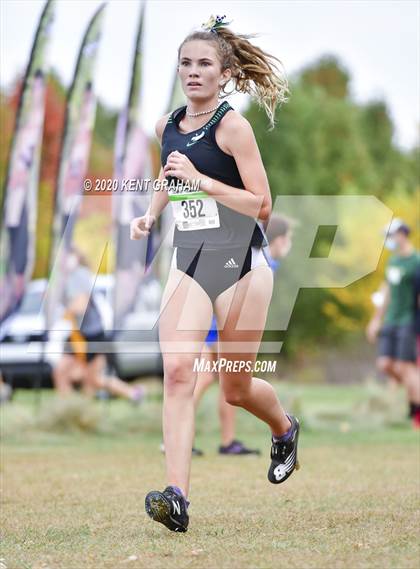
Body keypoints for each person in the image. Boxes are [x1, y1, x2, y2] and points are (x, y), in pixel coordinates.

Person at [130, 15, 300, 533]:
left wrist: (202, 181)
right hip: (191, 261)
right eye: (186, 63)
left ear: (225, 74)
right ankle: (176, 496)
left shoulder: (233, 127)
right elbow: (170, 175)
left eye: (205, 63)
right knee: (179, 373)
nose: (193, 72)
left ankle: (285, 427)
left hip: (242, 267)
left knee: (235, 387)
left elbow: (262, 206)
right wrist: (153, 213)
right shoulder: (166, 126)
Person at [189, 215, 294, 457]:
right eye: (288, 239)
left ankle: (227, 441)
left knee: (229, 383)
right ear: (277, 240)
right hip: (219, 325)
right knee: (210, 379)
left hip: (218, 322)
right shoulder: (263, 260)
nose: (289, 244)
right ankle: (181, 438)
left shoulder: (261, 257)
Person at [52, 246, 145, 404]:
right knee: (62, 372)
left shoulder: (79, 275)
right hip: (78, 335)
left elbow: (81, 304)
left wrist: (64, 310)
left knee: (93, 379)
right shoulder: (68, 277)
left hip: (92, 335)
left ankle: (133, 393)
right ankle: (69, 408)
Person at [366, 218, 420, 428]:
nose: (388, 241)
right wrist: (376, 319)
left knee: (404, 368)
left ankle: (415, 411)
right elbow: (386, 290)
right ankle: (414, 395)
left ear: (401, 234)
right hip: (391, 319)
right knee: (385, 364)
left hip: (407, 320)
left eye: (390, 236)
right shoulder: (393, 261)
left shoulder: (416, 261)